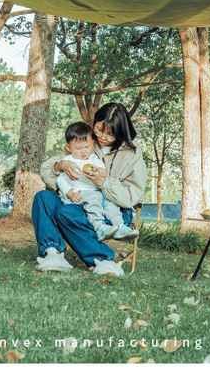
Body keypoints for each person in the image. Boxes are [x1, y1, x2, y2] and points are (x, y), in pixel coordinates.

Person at [32, 102, 147, 276]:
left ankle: (103, 259)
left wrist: (104, 182)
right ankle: (53, 253)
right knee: (43, 197)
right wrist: (61, 165)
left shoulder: (133, 154)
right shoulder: (87, 140)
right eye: (99, 130)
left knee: (66, 212)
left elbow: (132, 196)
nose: (103, 137)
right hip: (79, 201)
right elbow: (47, 171)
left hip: (113, 210)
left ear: (121, 131)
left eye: (110, 134)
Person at [56, 120, 135, 242]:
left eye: (87, 147)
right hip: (79, 194)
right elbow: (60, 180)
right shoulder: (69, 161)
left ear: (92, 144)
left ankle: (119, 225)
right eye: (78, 148)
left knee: (110, 203)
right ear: (68, 147)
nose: (83, 151)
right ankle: (100, 228)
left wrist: (103, 173)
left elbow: (103, 172)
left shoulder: (94, 159)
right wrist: (70, 193)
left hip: (97, 192)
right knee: (94, 202)